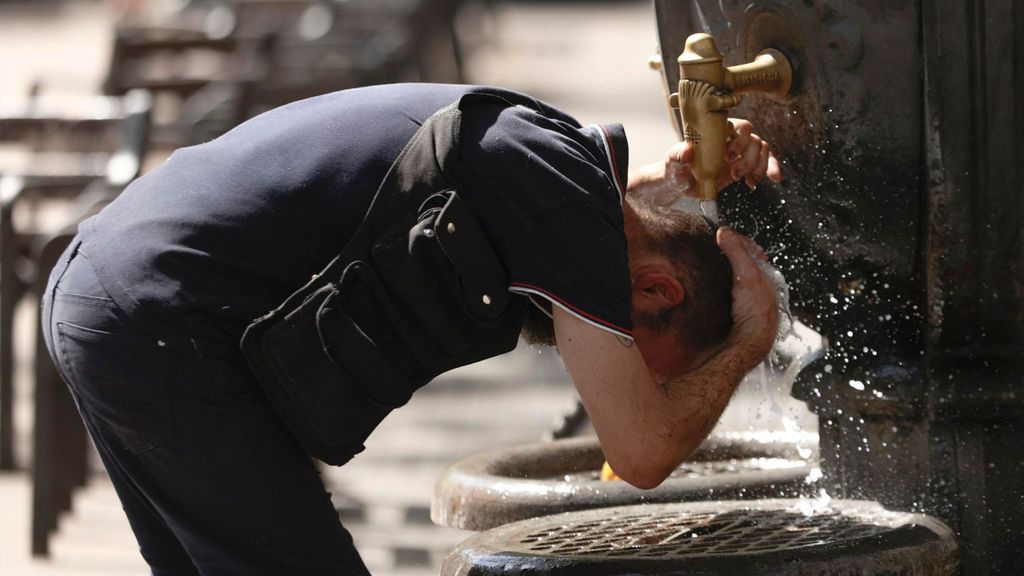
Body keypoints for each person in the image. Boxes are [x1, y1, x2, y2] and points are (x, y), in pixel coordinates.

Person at [41, 83, 780, 575]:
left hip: (109, 286)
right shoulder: (563, 202)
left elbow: (558, 221)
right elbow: (644, 451)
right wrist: (748, 341)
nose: (621, 379)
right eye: (656, 372)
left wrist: (669, 183)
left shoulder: (554, 177)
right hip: (157, 319)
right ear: (656, 289)